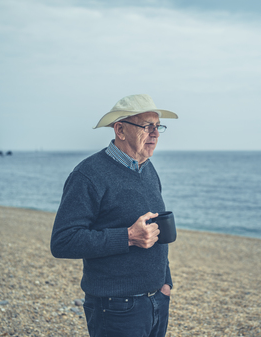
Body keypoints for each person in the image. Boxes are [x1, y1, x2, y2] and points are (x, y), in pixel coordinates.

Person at [50, 94, 178, 337]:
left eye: (158, 126)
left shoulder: (148, 169)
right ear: (120, 130)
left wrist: (166, 283)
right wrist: (128, 237)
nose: (155, 133)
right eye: (146, 126)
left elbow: (154, 229)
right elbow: (63, 241)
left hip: (157, 301)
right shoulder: (87, 175)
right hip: (116, 307)